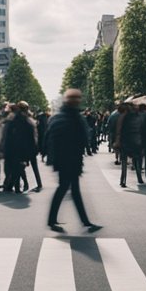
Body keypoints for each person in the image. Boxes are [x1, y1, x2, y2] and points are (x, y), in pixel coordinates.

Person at [45, 88, 100, 232]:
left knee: (68, 189)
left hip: (63, 160)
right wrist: (86, 149)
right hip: (70, 160)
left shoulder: (59, 117)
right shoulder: (74, 117)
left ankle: (81, 222)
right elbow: (82, 137)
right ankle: (84, 222)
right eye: (77, 98)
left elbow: (49, 138)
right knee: (68, 189)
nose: (78, 101)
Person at [118, 103, 144, 187]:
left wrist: (118, 141)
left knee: (124, 162)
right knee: (136, 161)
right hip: (137, 141)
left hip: (125, 141)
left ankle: (123, 180)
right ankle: (139, 178)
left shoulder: (124, 117)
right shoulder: (139, 117)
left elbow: (120, 130)